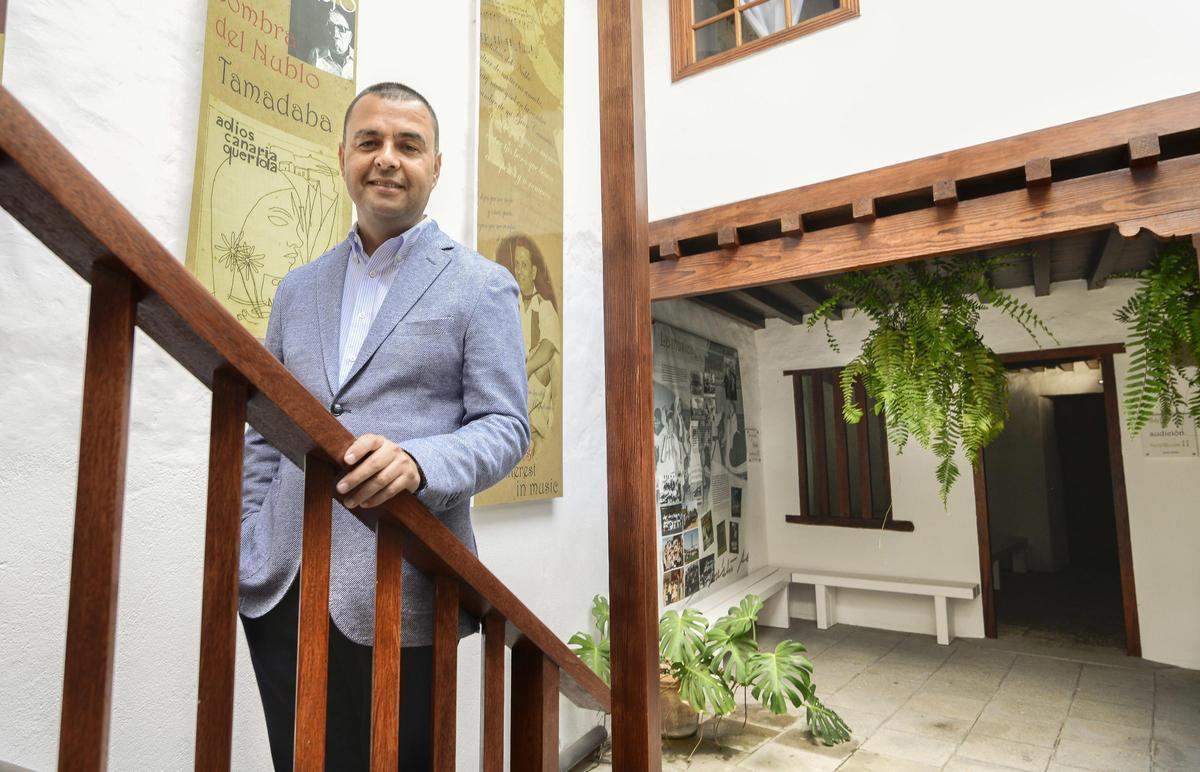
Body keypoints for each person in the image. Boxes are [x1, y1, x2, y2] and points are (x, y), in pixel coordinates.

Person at [238, 82, 530, 771]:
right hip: (280, 581)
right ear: (343, 156)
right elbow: (263, 429)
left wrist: (420, 463)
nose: (387, 158)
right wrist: (247, 533)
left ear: (435, 165)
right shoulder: (297, 289)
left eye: (408, 144)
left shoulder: (481, 285)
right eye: (369, 141)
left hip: (404, 583)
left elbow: (505, 425)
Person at [496, 234, 560, 457]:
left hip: (533, 385)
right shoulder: (508, 305)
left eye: (524, 265)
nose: (519, 271)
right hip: (512, 382)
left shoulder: (544, 307)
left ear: (533, 272)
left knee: (546, 364)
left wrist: (526, 369)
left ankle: (526, 430)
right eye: (517, 265)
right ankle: (526, 432)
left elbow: (549, 346)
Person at [307, 6, 356, 80]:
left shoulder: (359, 59)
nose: (335, 34)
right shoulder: (316, 54)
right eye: (330, 27)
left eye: (341, 28)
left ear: (350, 36)